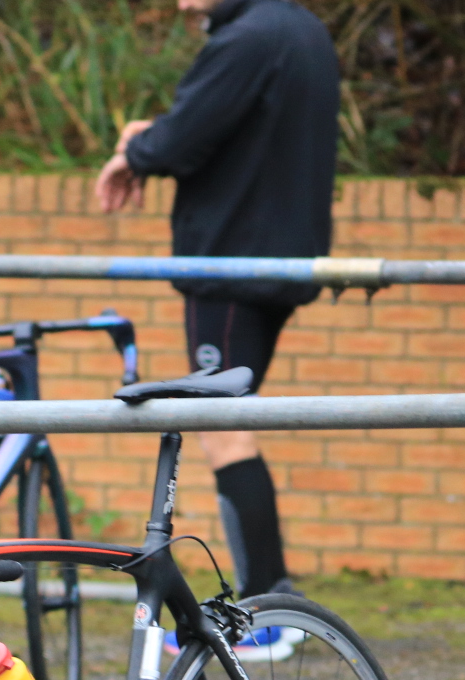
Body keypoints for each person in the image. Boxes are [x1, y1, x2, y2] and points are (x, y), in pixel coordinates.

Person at [94, 0, 338, 609]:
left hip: (233, 263)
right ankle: (271, 601)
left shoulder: (247, 39)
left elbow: (186, 135)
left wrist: (141, 146)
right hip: (278, 256)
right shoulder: (299, 28)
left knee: (222, 428)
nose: (180, 5)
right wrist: (154, 142)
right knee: (232, 421)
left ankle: (267, 607)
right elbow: (230, 131)